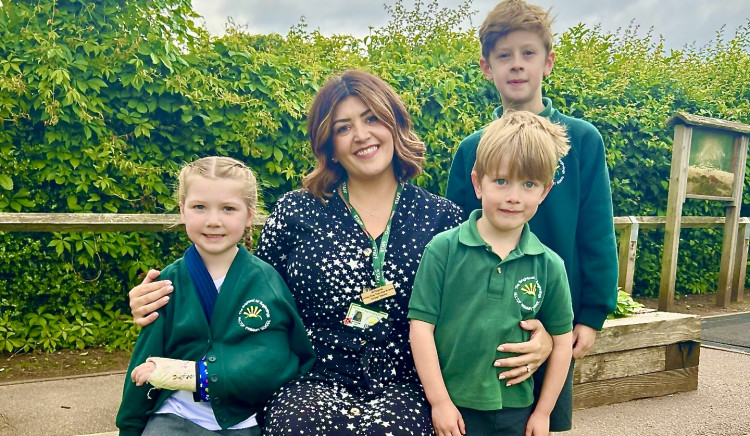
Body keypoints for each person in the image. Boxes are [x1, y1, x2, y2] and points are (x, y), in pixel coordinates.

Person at [127, 70, 553, 435]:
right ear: (328, 143)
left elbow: (485, 298)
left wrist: (545, 340)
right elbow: (243, 291)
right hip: (312, 377)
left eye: (371, 119)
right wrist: (160, 300)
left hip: (409, 381)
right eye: (344, 126)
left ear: (394, 124)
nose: (361, 135)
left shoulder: (442, 218)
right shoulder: (296, 211)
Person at [445, 0, 619, 431]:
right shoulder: (472, 148)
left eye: (528, 53)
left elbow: (596, 232)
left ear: (548, 62)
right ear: (487, 67)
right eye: (504, 56)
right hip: (482, 318)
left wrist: (591, 315)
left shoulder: (582, 140)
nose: (517, 65)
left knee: (541, 423)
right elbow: (452, 233)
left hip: (554, 316)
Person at [116, 156, 315, 435]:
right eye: (199, 207)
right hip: (175, 415)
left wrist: (199, 377)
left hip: (243, 419)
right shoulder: (167, 284)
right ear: (182, 210)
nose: (213, 221)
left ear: (249, 215)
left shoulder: (266, 280)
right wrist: (130, 426)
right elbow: (146, 355)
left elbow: (278, 359)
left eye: (228, 208)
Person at [410, 111, 573, 436]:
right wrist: (439, 402)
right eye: (501, 181)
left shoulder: (549, 265)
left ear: (544, 191)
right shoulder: (442, 250)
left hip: (516, 410)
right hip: (452, 409)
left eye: (528, 184)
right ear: (477, 182)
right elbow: (421, 328)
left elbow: (562, 342)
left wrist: (543, 413)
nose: (514, 196)